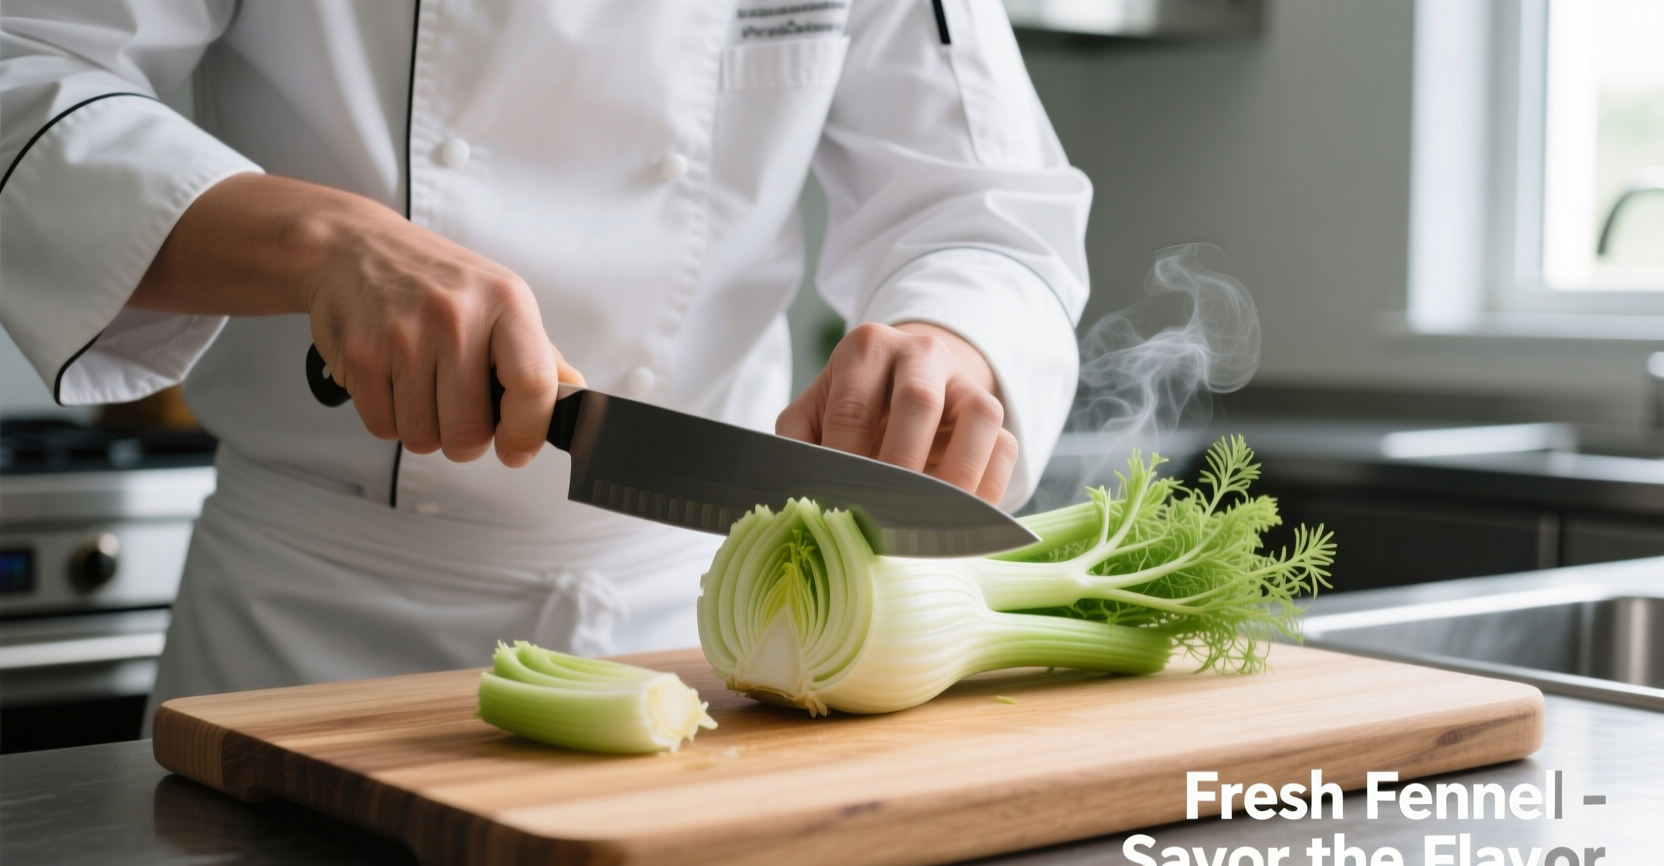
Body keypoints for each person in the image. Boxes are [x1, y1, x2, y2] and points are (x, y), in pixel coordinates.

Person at [0, 1, 1091, 713]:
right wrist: (324, 244)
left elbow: (984, 204)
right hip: (313, 652)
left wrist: (952, 339)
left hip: (711, 645)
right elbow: (24, 70)